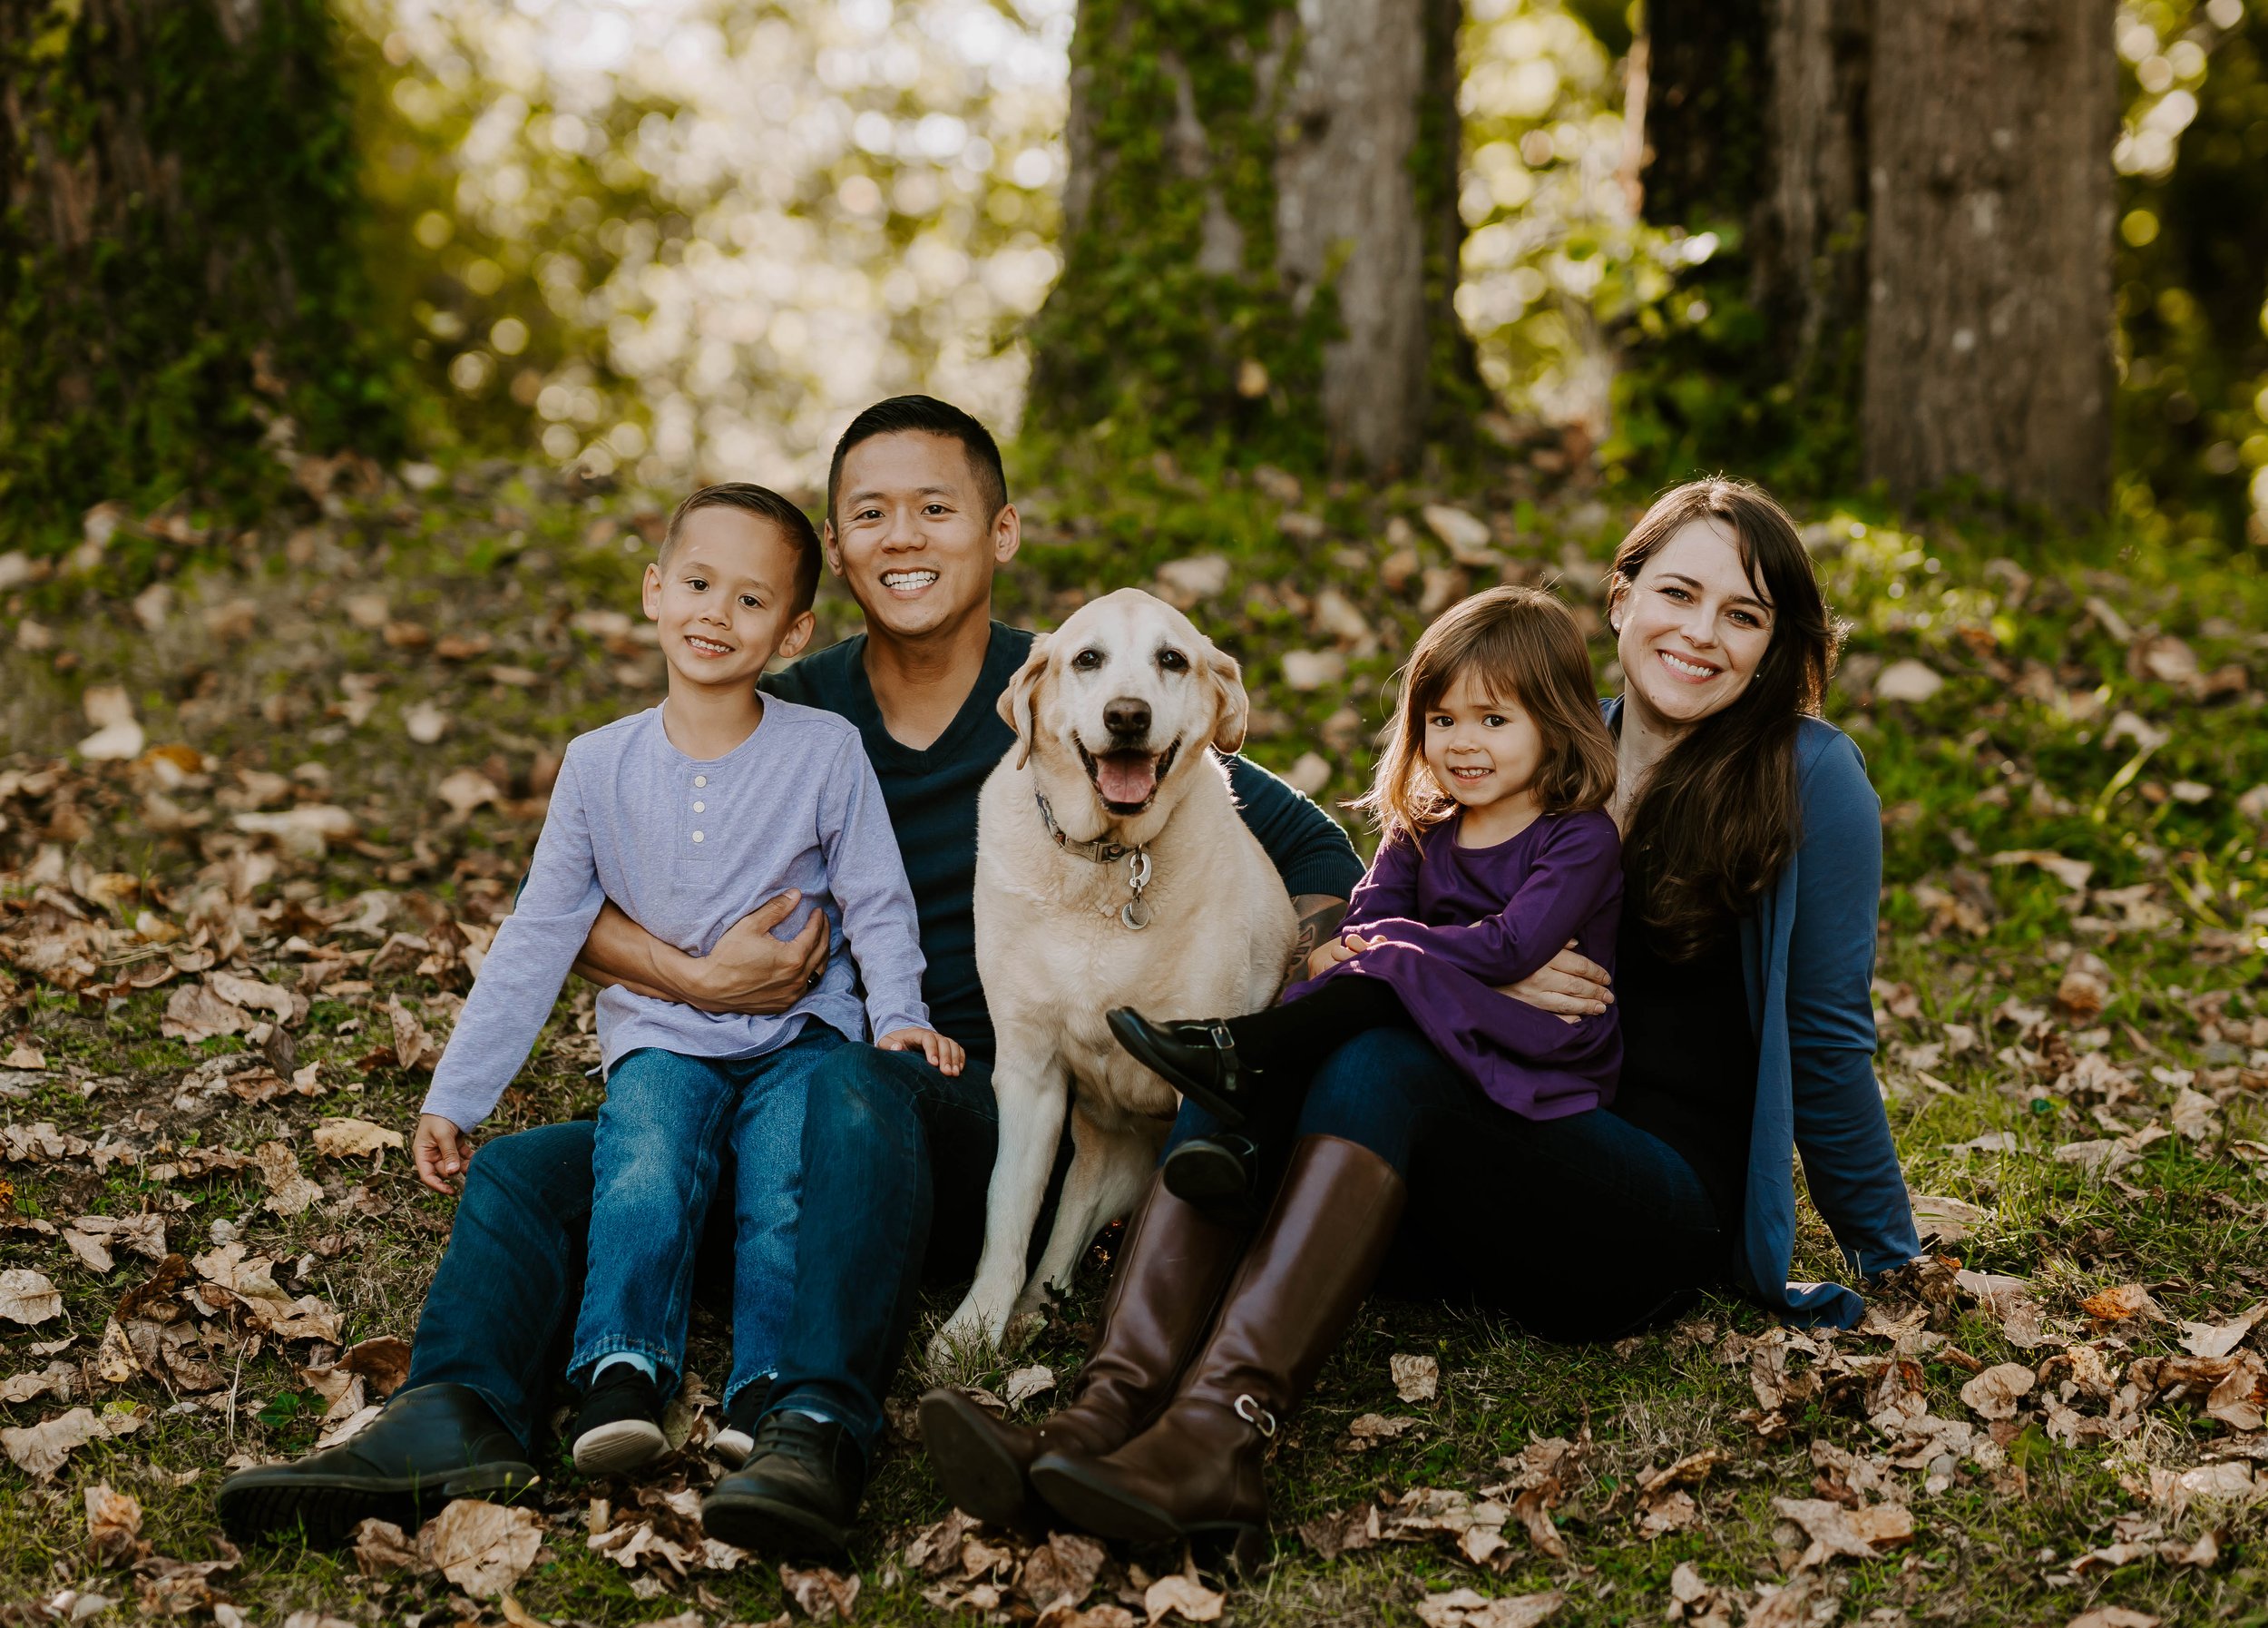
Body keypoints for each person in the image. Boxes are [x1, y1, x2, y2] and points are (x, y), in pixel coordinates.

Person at [214, 397, 1363, 1552]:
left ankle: (817, 1427)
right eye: (870, 513)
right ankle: (451, 1413)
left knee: (848, 1084)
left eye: (936, 508)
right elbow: (578, 901)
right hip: (761, 1079)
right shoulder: (789, 704)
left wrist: (1299, 972)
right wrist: (691, 976)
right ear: (836, 550)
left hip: (965, 1104)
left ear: (1000, 532)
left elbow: (1303, 849)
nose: (901, 536)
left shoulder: (1081, 690)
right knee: (525, 1176)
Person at [956, 477, 1920, 1565]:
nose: (1700, 634)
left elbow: (1828, 1038)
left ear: (1771, 642)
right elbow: (1375, 935)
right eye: (1679, 594)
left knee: (1379, 1057)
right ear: (1620, 599)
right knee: (1283, 1035)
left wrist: (1891, 1262)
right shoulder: (1524, 738)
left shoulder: (1808, 775)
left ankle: (1215, 1439)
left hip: (1644, 1201)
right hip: (1481, 1167)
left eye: (1741, 616)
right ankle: (1094, 1421)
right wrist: (1451, 973)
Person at [408, 483, 957, 1476]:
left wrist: (899, 1020)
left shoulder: (824, 753)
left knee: (786, 1186)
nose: (717, 614)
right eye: (699, 584)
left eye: (752, 601)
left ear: (793, 633)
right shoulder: (596, 765)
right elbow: (539, 935)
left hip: (803, 1038)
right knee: (641, 1168)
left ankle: (767, 1387)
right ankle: (622, 1368)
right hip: (662, 1037)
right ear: (655, 592)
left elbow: (878, 901)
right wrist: (458, 1093)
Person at [1101, 585, 1622, 1221]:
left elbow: (1512, 947)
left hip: (1542, 1044)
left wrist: (1397, 952)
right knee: (1371, 981)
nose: (1462, 742)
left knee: (1383, 975)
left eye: (1494, 719)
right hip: (1441, 1007)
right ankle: (1241, 1137)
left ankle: (1237, 1057)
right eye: (1443, 719)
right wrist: (1386, 951)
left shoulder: (1580, 836)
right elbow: (1362, 926)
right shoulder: (1424, 825)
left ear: (1555, 721)